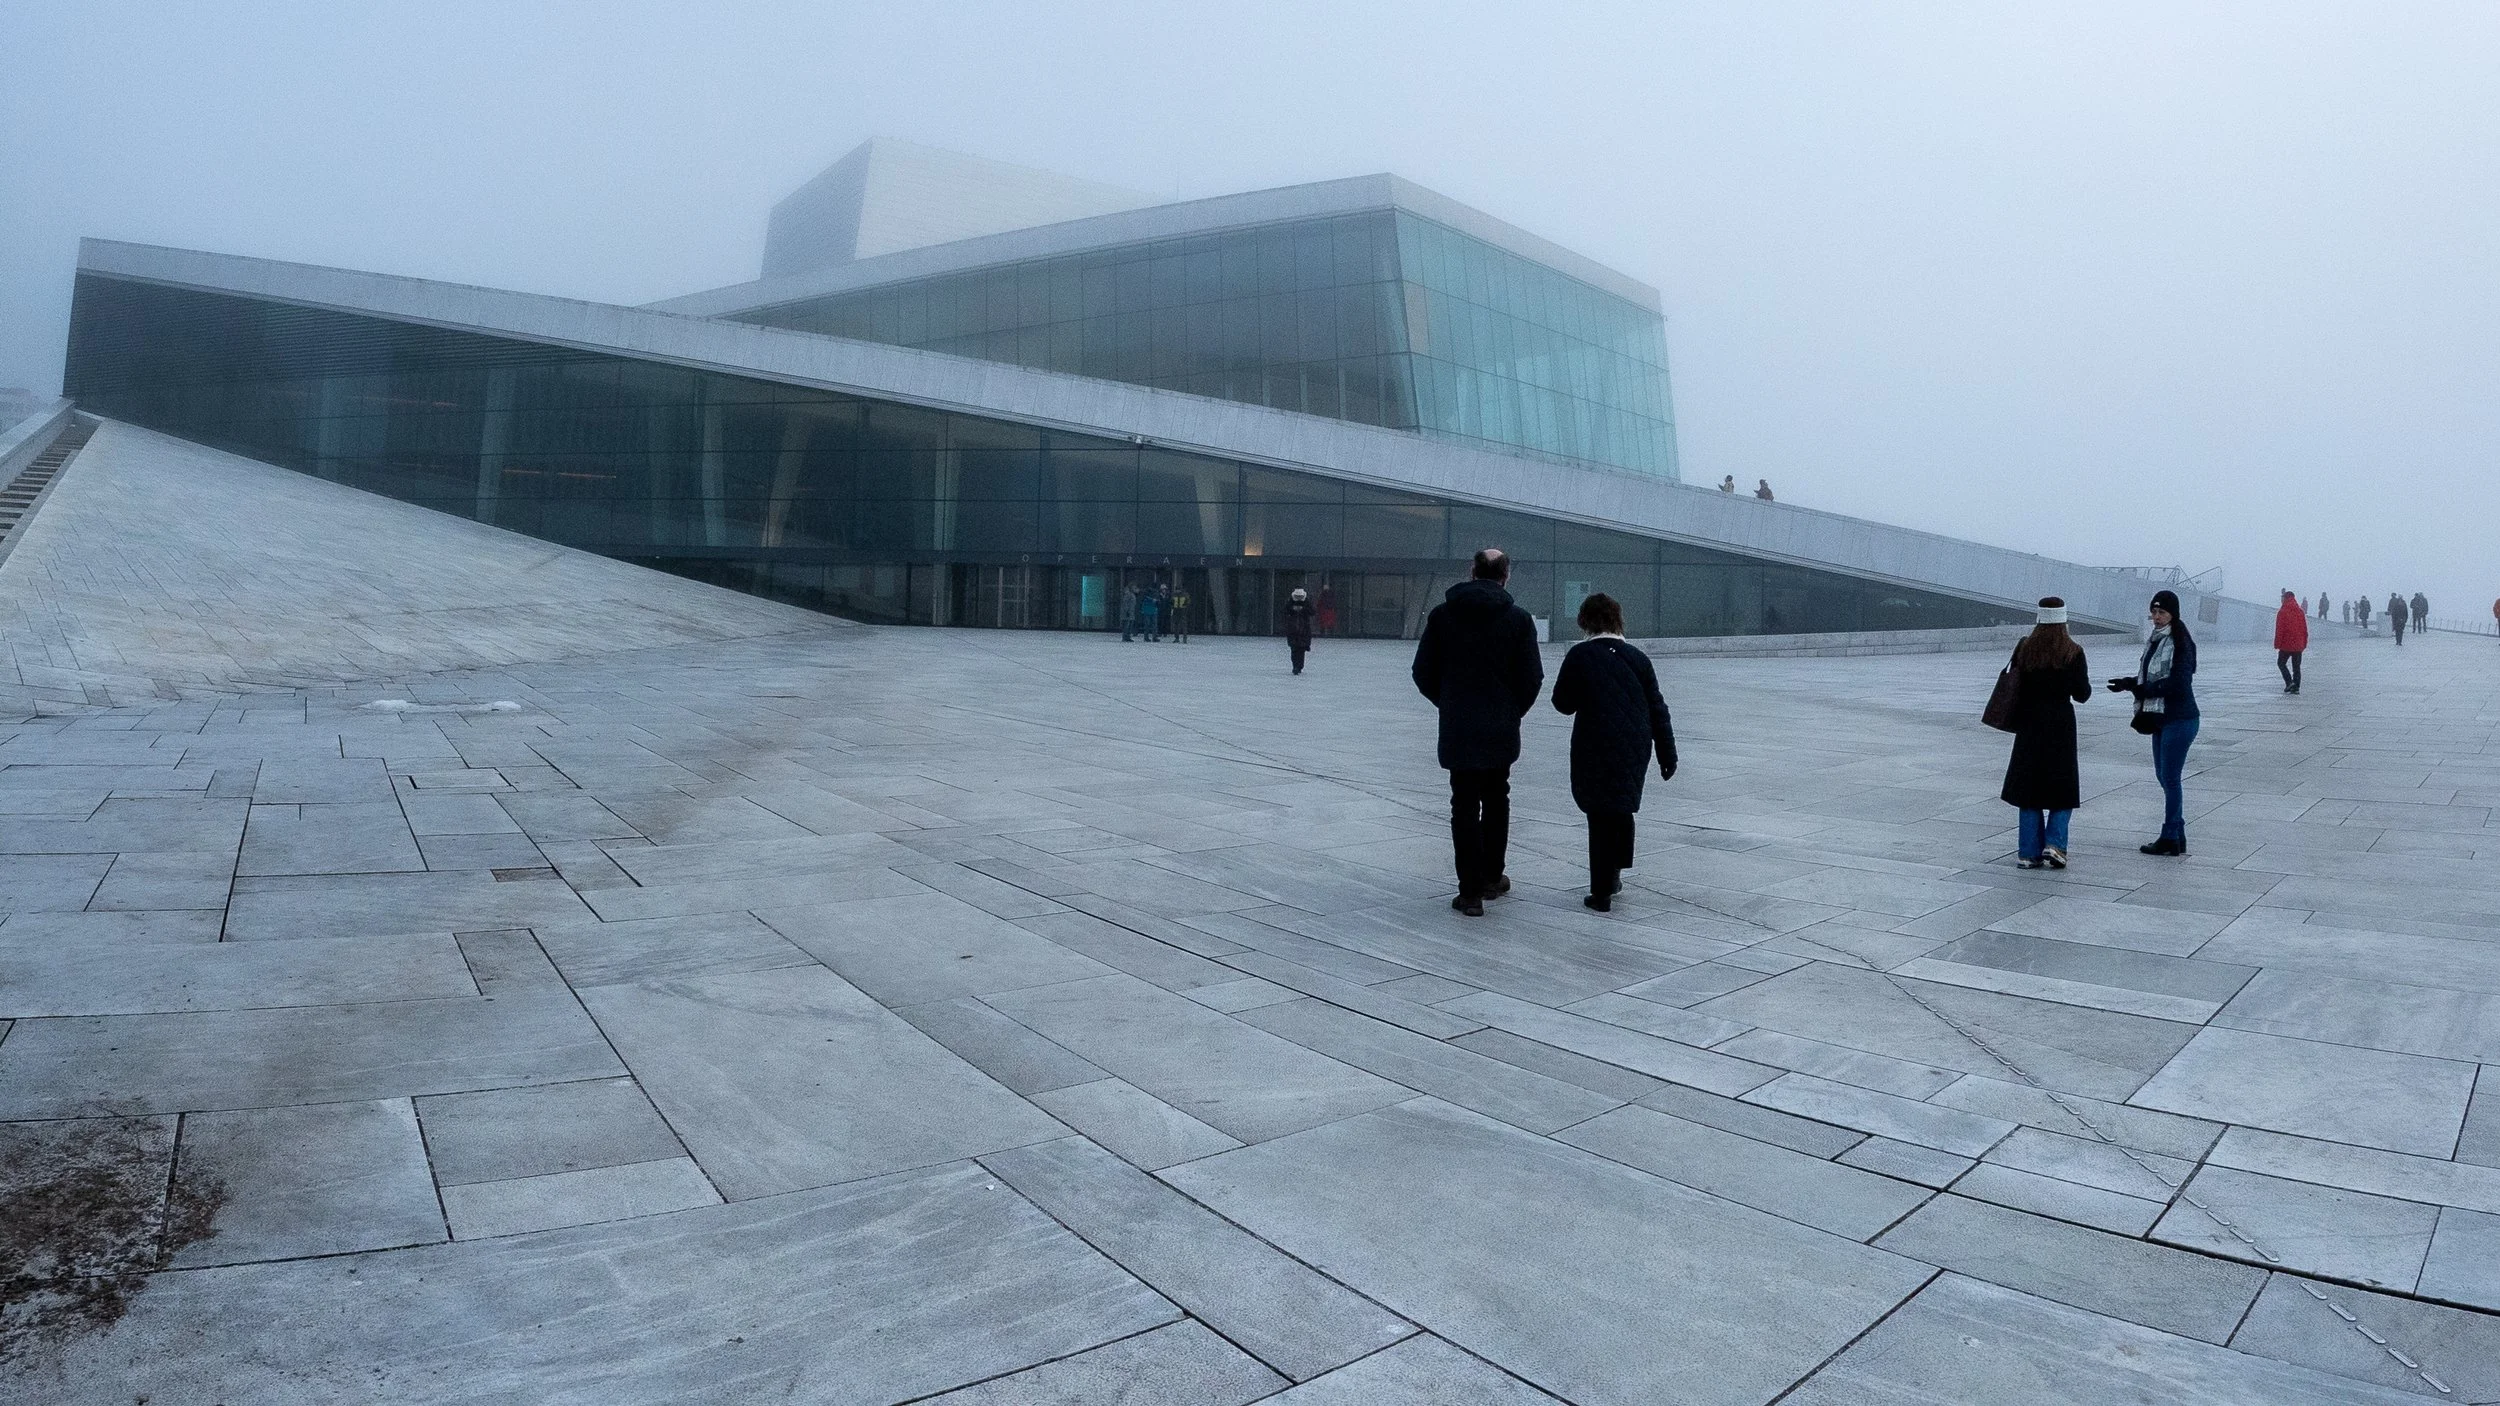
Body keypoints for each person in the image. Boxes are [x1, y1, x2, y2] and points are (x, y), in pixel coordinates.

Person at [1412, 548, 1544, 917]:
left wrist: (1449, 703)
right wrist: (1511, 710)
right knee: (1498, 796)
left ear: (1471, 572)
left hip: (1459, 726)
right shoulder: (1518, 620)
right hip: (1500, 727)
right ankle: (1491, 877)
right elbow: (1532, 677)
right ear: (1506, 576)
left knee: (1464, 804)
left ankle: (1468, 891)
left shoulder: (1442, 615)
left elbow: (1422, 671)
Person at [1551, 593, 1676, 910]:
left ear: (1585, 622)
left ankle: (1601, 891)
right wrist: (1667, 753)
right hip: (1635, 743)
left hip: (1595, 741)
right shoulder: (1638, 658)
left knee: (1599, 814)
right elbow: (1657, 708)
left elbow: (1562, 704)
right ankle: (1615, 873)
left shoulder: (1579, 656)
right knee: (1621, 807)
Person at [2001, 598, 2092, 869]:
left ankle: (2028, 852)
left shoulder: (2025, 648)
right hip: (2060, 725)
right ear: (2064, 620)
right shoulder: (2072, 651)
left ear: (2039, 619)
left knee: (2029, 787)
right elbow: (2082, 694)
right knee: (2062, 786)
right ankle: (2055, 845)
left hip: (2029, 723)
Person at [2108, 589, 2199, 856]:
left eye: (2162, 612)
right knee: (2164, 776)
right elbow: (2148, 676)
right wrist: (2129, 684)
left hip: (2180, 718)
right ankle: (2177, 834)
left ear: (2173, 614)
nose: (2157, 618)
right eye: (2154, 612)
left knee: (2170, 778)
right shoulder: (2155, 640)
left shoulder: (2181, 642)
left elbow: (2180, 682)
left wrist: (2144, 689)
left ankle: (2170, 835)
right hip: (2159, 718)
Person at [2274, 588, 2308, 694]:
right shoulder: (2300, 611)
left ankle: (2289, 683)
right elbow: (2304, 629)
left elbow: (2280, 629)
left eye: (2282, 598)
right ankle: (2296, 687)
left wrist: (2277, 644)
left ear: (2286, 598)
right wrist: (2304, 643)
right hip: (2298, 645)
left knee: (2281, 663)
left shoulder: (2282, 611)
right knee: (2296, 667)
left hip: (2286, 644)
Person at [1283, 587, 1315, 674]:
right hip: (1293, 629)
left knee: (1301, 649)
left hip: (1303, 629)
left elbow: (1312, 612)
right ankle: (1295, 666)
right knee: (1294, 649)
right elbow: (1285, 611)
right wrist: (1292, 609)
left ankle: (1299, 666)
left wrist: (1303, 609)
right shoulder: (1290, 601)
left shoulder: (1307, 602)